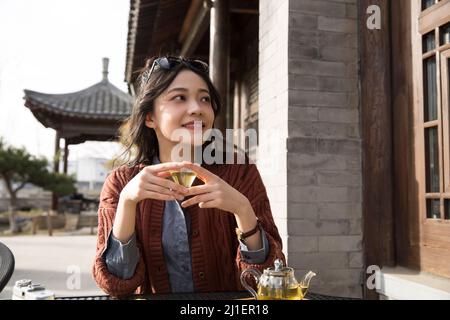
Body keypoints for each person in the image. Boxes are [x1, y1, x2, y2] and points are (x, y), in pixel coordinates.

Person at [92, 55, 285, 298]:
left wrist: (243, 211)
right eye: (179, 98)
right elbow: (116, 285)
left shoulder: (240, 172)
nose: (197, 108)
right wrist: (127, 203)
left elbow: (270, 280)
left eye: (205, 98)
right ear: (150, 117)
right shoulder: (121, 184)